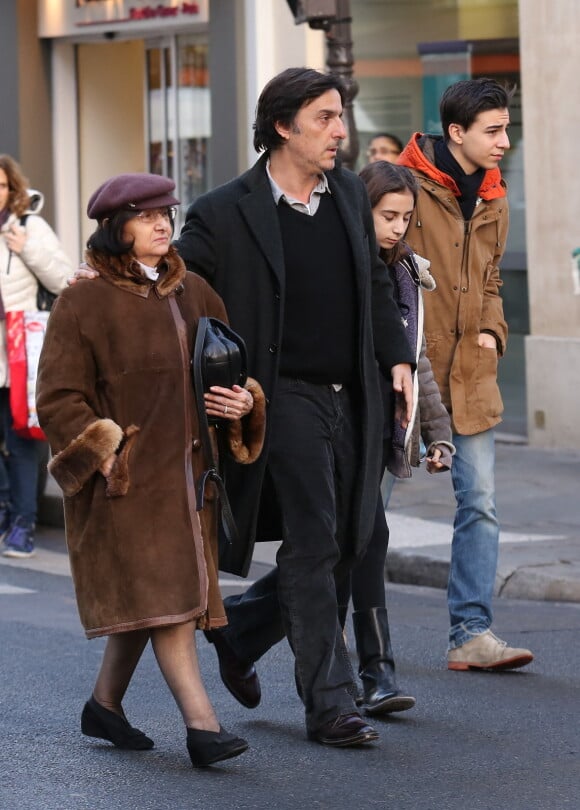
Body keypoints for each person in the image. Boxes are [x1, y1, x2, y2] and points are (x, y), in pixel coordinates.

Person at [174, 67, 416, 747]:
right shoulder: (225, 211)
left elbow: (373, 279)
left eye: (341, 117)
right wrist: (113, 276)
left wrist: (396, 357)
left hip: (356, 395)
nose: (341, 131)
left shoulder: (344, 191)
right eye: (325, 118)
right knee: (314, 541)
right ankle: (330, 705)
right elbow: (180, 292)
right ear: (283, 126)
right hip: (282, 399)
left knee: (354, 538)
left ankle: (241, 634)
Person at [35, 173, 266, 768]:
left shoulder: (196, 292)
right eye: (146, 215)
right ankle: (203, 726)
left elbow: (230, 367)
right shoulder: (81, 301)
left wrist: (244, 402)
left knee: (155, 600)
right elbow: (59, 398)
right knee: (169, 603)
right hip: (129, 487)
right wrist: (109, 453)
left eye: (167, 212)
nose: (163, 223)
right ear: (117, 228)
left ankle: (103, 705)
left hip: (193, 481)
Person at [398, 78, 534, 671]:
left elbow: (492, 278)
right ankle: (338, 634)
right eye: (494, 130)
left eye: (506, 128)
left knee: (479, 500)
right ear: (456, 132)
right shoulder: (402, 186)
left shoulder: (496, 195)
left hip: (472, 372)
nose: (505, 140)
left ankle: (472, 634)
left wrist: (492, 332)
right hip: (405, 370)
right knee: (363, 510)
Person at [335, 160, 456, 715]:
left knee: (356, 543)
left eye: (406, 218)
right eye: (387, 216)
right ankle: (368, 674)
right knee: (360, 540)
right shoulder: (340, 261)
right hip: (334, 422)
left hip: (384, 426)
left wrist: (438, 432)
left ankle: (246, 633)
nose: (397, 228)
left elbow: (416, 361)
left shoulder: (407, 272)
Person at [0, 154, 71, 559]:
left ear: (13, 190)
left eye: (1, 185)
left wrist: (26, 250)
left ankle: (23, 522)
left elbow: (63, 280)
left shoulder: (28, 227)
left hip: (19, 351)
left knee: (22, 438)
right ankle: (6, 511)